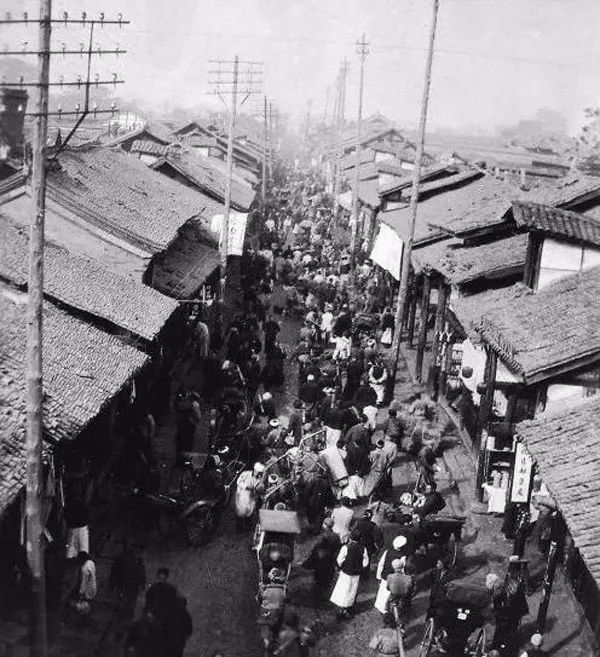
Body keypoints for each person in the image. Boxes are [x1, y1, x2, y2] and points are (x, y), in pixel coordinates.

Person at [330, 529, 369, 619]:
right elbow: (365, 563)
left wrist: (341, 567)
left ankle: (341, 610)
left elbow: (339, 560)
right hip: (356, 574)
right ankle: (347, 609)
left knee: (343, 591)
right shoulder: (363, 548)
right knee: (351, 591)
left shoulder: (346, 548)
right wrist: (360, 567)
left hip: (346, 573)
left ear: (350, 538)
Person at [302, 518, 341, 600]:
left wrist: (310, 560)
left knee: (319, 579)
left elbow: (316, 549)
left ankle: (317, 597)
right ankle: (324, 595)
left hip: (321, 561)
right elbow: (338, 548)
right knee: (327, 579)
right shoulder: (336, 536)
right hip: (331, 561)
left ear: (325, 525)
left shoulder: (322, 536)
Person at [110, 540, 146, 621]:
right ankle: (121, 617)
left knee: (129, 603)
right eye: (137, 549)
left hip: (132, 585)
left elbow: (141, 572)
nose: (138, 552)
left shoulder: (138, 559)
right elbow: (114, 570)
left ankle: (126, 617)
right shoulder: (122, 557)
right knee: (123, 602)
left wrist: (142, 584)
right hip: (124, 584)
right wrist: (112, 583)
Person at [374, 535, 410, 614]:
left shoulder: (387, 551)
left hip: (385, 576)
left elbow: (381, 563)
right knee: (389, 595)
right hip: (393, 579)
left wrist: (378, 576)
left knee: (382, 592)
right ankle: (386, 610)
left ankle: (380, 607)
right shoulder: (402, 557)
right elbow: (402, 570)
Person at [386, 559, 416, 629]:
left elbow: (388, 588)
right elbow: (412, 590)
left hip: (393, 599)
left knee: (391, 613)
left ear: (393, 567)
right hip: (404, 600)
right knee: (403, 616)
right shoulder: (409, 578)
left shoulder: (390, 576)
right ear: (402, 567)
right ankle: (402, 628)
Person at [234, 462, 265, 530]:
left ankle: (247, 526)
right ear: (255, 471)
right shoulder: (245, 474)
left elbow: (260, 488)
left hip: (251, 498)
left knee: (249, 512)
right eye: (259, 473)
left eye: (261, 473)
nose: (259, 475)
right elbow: (238, 481)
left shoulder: (259, 479)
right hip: (242, 496)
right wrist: (246, 487)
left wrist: (259, 489)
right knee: (240, 512)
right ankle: (239, 528)